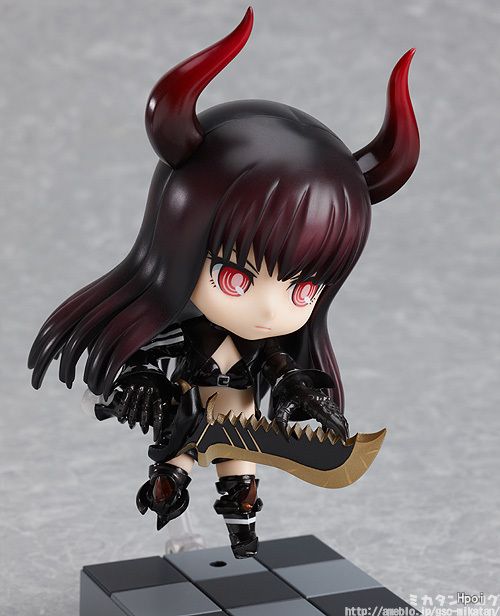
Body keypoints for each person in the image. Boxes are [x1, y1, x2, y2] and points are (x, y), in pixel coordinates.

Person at [28, 8, 419, 558]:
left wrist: (302, 391)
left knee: (241, 473)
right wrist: (139, 383)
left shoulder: (267, 343)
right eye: (237, 277)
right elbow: (141, 359)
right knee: (176, 466)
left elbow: (279, 365)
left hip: (238, 410)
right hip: (187, 408)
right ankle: (173, 511)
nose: (270, 310)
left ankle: (242, 533)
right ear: (177, 244)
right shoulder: (179, 328)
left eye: (303, 289)